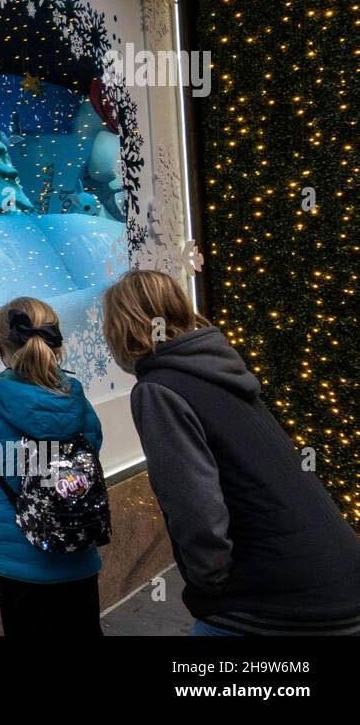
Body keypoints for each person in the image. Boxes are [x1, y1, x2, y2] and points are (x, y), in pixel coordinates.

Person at [102, 269, 360, 635]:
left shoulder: (159, 389)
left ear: (121, 327)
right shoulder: (215, 366)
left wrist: (211, 584)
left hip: (279, 600)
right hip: (334, 576)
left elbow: (195, 506)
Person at [0, 297, 106, 636]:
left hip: (17, 559)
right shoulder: (77, 402)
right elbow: (91, 453)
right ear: (56, 345)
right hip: (77, 549)